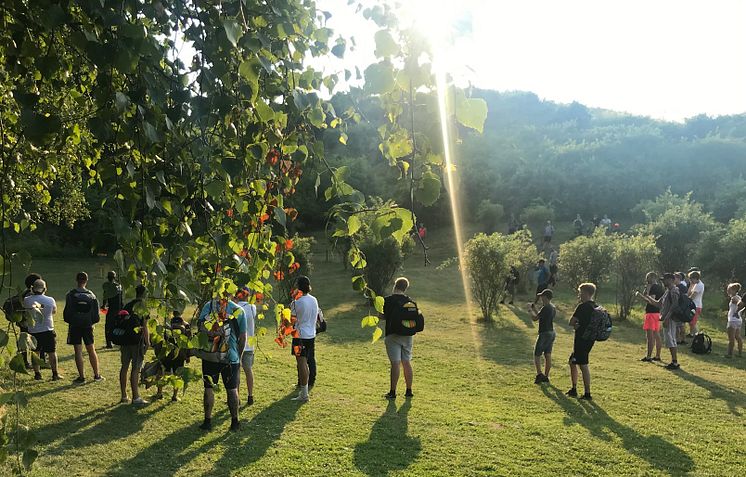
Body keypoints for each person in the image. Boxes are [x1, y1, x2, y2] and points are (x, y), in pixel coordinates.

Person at [197, 294, 247, 431]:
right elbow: (242, 338)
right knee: (232, 389)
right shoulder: (239, 311)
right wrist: (239, 356)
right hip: (231, 357)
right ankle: (234, 422)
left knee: (208, 387)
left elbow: (200, 327)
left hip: (210, 355)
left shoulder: (209, 306)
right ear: (230, 294)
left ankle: (207, 421)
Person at [381, 277, 417, 399]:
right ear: (405, 288)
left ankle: (392, 392)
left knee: (395, 363)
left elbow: (382, 315)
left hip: (393, 335)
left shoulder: (388, 300)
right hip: (407, 336)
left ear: (395, 285)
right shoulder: (410, 301)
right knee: (406, 362)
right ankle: (409, 390)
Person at [63, 272, 103, 383]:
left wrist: (71, 321)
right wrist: (91, 322)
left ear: (76, 280)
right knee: (91, 350)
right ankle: (97, 375)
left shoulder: (71, 294)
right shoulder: (92, 295)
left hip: (75, 325)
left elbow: (67, 312)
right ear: (86, 280)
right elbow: (96, 315)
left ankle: (81, 377)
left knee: (78, 351)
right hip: (87, 325)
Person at [639, 273, 681, 370]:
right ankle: (673, 361)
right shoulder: (667, 291)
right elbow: (658, 304)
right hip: (665, 317)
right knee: (668, 339)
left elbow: (674, 305)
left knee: (671, 339)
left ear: (671, 280)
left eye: (665, 280)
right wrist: (647, 296)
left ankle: (674, 362)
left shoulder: (674, 290)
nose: (663, 282)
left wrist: (667, 317)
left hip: (670, 318)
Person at [23, 279, 61, 381]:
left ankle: (37, 374)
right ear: (44, 289)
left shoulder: (27, 300)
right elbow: (54, 311)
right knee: (52, 352)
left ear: (32, 288)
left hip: (33, 330)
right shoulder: (50, 300)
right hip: (47, 329)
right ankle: (55, 373)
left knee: (35, 353)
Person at [119, 285, 150, 405]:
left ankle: (123, 395)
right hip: (136, 341)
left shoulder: (128, 305)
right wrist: (147, 342)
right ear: (145, 294)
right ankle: (136, 397)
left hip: (125, 340)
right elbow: (145, 326)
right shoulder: (142, 307)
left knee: (124, 366)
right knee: (136, 368)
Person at [567, 283, 598, 400]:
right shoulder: (595, 306)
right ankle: (574, 388)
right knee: (572, 361)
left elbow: (571, 321)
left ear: (586, 293)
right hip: (590, 339)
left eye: (581, 292)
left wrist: (576, 325)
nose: (579, 295)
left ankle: (587, 393)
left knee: (583, 364)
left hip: (581, 339)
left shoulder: (582, 306)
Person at [289, 276, 318, 402]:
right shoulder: (314, 300)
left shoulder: (296, 302)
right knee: (306, 361)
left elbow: (292, 320)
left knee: (301, 363)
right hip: (311, 335)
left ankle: (304, 393)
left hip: (299, 336)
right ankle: (304, 390)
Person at [153, 311, 191, 402]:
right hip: (180, 356)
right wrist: (187, 356)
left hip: (167, 355)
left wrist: (158, 355)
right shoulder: (184, 330)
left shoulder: (167, 331)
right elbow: (188, 345)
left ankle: (159, 393)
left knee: (161, 374)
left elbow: (159, 343)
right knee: (177, 376)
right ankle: (174, 396)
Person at [528, 289, 556, 384]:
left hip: (544, 333)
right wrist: (534, 308)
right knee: (547, 354)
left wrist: (529, 310)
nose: (540, 298)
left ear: (545, 297)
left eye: (542, 296)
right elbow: (541, 316)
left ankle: (539, 374)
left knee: (537, 354)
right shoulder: (552, 307)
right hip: (551, 332)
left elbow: (535, 318)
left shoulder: (546, 307)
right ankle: (546, 376)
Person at [235, 287, 257, 405]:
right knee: (248, 370)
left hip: (238, 344)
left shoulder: (236, 308)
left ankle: (236, 397)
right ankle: (250, 395)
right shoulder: (252, 307)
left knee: (236, 371)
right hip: (249, 344)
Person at [636, 272, 664, 362]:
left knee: (650, 336)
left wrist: (640, 296)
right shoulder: (660, 287)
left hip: (651, 313)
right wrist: (646, 290)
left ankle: (648, 356)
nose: (646, 280)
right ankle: (657, 355)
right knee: (657, 334)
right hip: (657, 313)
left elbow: (651, 300)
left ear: (652, 278)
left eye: (648, 278)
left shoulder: (654, 287)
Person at [102, 271, 123, 349]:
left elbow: (105, 296)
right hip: (119, 308)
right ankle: (119, 342)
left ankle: (109, 343)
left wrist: (104, 306)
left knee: (108, 326)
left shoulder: (107, 285)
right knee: (118, 325)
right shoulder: (119, 286)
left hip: (111, 309)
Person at [725, 283, 743, 358]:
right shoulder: (739, 297)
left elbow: (741, 305)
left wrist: (736, 312)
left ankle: (729, 354)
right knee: (738, 337)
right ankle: (740, 353)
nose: (727, 291)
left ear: (734, 290)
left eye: (729, 289)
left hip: (733, 320)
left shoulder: (734, 298)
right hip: (738, 320)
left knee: (731, 338)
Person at [687, 271, 705, 337]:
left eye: (691, 279)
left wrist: (686, 301)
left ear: (695, 278)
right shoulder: (695, 285)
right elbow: (689, 293)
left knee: (692, 322)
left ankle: (696, 335)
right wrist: (691, 285)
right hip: (694, 305)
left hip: (696, 305)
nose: (690, 280)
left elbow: (692, 296)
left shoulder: (699, 285)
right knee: (690, 320)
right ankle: (693, 333)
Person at [675, 272, 689, 344]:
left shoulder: (681, 287)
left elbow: (685, 298)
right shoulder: (682, 287)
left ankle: (680, 339)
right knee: (680, 325)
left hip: (680, 308)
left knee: (679, 325)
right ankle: (680, 339)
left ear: (678, 279)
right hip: (680, 308)